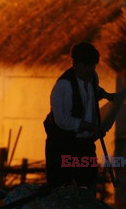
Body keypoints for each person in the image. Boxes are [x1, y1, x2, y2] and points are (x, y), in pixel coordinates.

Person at [44, 42, 115, 192]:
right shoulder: (64, 86)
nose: (90, 70)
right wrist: (90, 127)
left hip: (84, 145)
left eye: (92, 66)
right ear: (75, 64)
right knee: (61, 190)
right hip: (63, 146)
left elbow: (94, 91)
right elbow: (63, 120)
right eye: (86, 66)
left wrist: (106, 95)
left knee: (87, 185)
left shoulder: (92, 78)